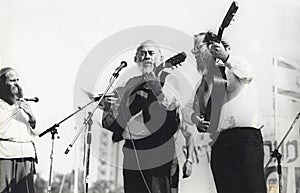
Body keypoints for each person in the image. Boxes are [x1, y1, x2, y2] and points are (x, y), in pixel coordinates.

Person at [182, 31, 267, 193]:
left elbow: (247, 75)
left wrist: (226, 57)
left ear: (213, 47)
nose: (196, 54)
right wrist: (196, 118)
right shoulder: (204, 82)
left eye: (198, 48)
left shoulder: (236, 65)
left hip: (245, 139)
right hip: (220, 142)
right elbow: (187, 109)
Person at [102, 40, 181, 193]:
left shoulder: (169, 79)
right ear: (136, 59)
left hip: (157, 148)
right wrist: (109, 105)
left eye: (151, 53)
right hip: (131, 149)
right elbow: (117, 115)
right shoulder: (131, 83)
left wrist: (157, 89)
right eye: (142, 54)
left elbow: (172, 108)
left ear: (160, 58)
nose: (147, 57)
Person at [0, 67, 37, 193]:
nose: (17, 84)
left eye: (17, 80)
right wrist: (14, 107)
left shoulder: (24, 104)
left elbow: (34, 129)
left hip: (26, 155)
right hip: (5, 156)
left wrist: (31, 115)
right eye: (12, 80)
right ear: (2, 84)